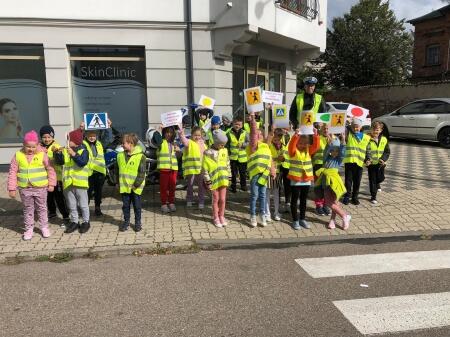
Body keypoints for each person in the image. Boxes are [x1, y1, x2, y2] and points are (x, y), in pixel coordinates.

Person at [7, 130, 56, 240]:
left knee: (42, 208)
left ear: (37, 145)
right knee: (28, 209)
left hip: (40, 188)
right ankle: (29, 229)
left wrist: (52, 184)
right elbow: (12, 172)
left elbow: (50, 169)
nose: (31, 149)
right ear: (23, 145)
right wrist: (11, 188)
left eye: (33, 147)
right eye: (28, 146)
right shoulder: (18, 155)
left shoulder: (42, 154)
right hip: (25, 188)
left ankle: (44, 227)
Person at [54, 128, 91, 234]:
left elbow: (82, 162)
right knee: (71, 205)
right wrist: (58, 154)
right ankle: (74, 221)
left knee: (83, 205)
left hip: (80, 184)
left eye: (68, 139)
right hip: (68, 183)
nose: (67, 142)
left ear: (75, 140)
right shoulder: (66, 150)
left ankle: (86, 221)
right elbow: (60, 162)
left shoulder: (84, 151)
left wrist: (74, 154)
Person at [314, 135, 351, 230]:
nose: (334, 152)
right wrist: (328, 143)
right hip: (325, 181)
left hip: (334, 182)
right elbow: (326, 151)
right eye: (332, 150)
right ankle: (344, 215)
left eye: (336, 150)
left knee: (334, 201)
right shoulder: (326, 159)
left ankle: (333, 219)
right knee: (329, 201)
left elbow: (343, 153)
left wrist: (343, 141)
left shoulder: (338, 160)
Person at [287, 128, 320, 230]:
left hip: (306, 180)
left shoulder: (308, 150)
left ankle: (302, 219)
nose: (302, 145)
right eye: (300, 143)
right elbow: (291, 145)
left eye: (305, 143)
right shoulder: (293, 151)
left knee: (303, 200)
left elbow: (316, 146)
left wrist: (315, 135)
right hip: (296, 180)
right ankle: (295, 220)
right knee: (294, 200)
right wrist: (295, 136)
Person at [247, 112, 274, 227]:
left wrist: (272, 171)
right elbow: (253, 133)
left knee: (263, 196)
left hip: (264, 175)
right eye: (257, 135)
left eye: (260, 135)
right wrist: (253, 120)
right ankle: (253, 216)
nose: (258, 136)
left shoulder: (266, 146)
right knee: (254, 196)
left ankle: (262, 214)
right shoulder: (253, 146)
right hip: (255, 175)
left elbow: (270, 159)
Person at [39, 125, 70, 226]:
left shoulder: (57, 147)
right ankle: (52, 212)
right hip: (44, 178)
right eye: (44, 137)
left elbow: (62, 162)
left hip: (57, 178)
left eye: (49, 137)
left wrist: (57, 154)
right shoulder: (39, 147)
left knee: (59, 198)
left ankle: (66, 216)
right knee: (48, 197)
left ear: (52, 137)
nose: (47, 139)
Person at [116, 133, 146, 232]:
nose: (122, 145)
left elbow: (142, 173)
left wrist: (136, 184)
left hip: (135, 187)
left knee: (137, 206)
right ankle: (126, 222)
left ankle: (138, 223)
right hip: (124, 186)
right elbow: (117, 170)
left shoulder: (141, 156)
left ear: (131, 143)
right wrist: (117, 182)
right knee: (125, 206)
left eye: (123, 143)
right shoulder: (120, 155)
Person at [202, 129, 230, 227]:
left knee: (222, 199)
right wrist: (208, 181)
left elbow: (227, 164)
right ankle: (215, 217)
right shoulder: (207, 153)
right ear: (216, 142)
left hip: (223, 180)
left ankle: (221, 216)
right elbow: (204, 169)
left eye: (224, 144)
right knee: (215, 199)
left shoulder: (224, 151)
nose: (223, 146)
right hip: (213, 181)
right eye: (221, 144)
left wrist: (229, 176)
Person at [343, 118, 371, 205]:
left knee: (357, 181)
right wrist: (348, 121)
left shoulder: (366, 137)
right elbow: (345, 128)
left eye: (357, 127)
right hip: (349, 162)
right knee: (348, 181)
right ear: (351, 127)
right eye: (354, 127)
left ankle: (355, 197)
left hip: (359, 163)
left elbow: (367, 150)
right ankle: (347, 196)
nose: (356, 128)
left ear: (361, 127)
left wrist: (368, 159)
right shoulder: (349, 135)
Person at [179, 126, 206, 209]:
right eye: (195, 135)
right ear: (191, 135)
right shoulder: (189, 142)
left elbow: (206, 153)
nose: (197, 137)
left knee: (201, 186)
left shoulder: (203, 143)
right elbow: (184, 141)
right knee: (190, 185)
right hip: (191, 168)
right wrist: (181, 134)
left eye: (199, 135)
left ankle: (201, 201)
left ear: (201, 135)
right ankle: (189, 200)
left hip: (200, 168)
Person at [365, 121, 390, 204]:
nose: (376, 131)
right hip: (371, 164)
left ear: (381, 130)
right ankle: (373, 196)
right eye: (374, 129)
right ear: (371, 130)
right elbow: (364, 151)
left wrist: (383, 159)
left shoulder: (384, 139)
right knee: (372, 180)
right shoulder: (367, 139)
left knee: (380, 178)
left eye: (377, 130)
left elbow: (387, 151)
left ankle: (378, 184)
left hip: (380, 164)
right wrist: (367, 160)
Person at [83, 130, 106, 216]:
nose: (92, 137)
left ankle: (97, 208)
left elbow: (107, 137)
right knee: (88, 192)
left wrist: (109, 127)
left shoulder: (99, 143)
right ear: (86, 136)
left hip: (99, 171)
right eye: (90, 136)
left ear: (96, 136)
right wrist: (81, 128)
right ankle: (85, 209)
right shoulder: (83, 144)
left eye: (93, 136)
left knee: (98, 191)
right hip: (89, 172)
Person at [157, 126, 179, 213]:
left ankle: (171, 202)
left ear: (173, 133)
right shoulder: (160, 142)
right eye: (166, 132)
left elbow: (178, 156)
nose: (168, 134)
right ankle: (163, 204)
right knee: (164, 187)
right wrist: (159, 130)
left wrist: (178, 151)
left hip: (173, 168)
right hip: (164, 168)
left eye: (170, 132)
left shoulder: (174, 143)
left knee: (172, 187)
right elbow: (156, 139)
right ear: (164, 133)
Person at [312, 123, 332, 216]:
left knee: (326, 186)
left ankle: (326, 205)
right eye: (324, 128)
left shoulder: (332, 138)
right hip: (318, 165)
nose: (326, 130)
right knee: (318, 187)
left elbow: (336, 152)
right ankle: (318, 205)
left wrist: (331, 143)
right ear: (320, 129)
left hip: (328, 166)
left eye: (327, 128)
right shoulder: (317, 137)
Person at [265, 127, 285, 222]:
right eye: (275, 137)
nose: (277, 140)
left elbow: (284, 157)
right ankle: (267, 213)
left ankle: (276, 212)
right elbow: (268, 156)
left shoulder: (282, 145)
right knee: (268, 192)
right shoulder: (269, 145)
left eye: (280, 138)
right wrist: (277, 159)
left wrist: (283, 159)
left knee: (276, 193)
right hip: (269, 171)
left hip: (278, 172)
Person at [227, 115, 249, 193]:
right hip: (233, 157)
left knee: (242, 173)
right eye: (236, 124)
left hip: (242, 158)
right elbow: (227, 144)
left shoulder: (245, 133)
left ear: (242, 125)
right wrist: (228, 153)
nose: (237, 126)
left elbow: (249, 143)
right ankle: (233, 187)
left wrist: (243, 145)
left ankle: (243, 186)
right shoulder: (229, 133)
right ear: (233, 124)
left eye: (239, 124)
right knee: (233, 173)